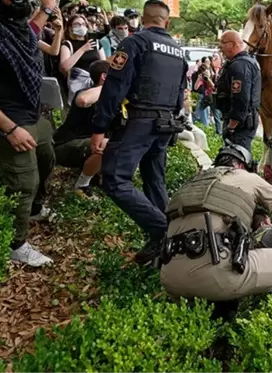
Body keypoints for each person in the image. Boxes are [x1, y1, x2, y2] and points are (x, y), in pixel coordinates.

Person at [90, 0, 188, 265]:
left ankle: (164, 232)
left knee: (114, 179)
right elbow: (181, 95)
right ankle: (163, 244)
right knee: (154, 179)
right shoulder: (179, 52)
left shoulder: (135, 43)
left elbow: (114, 88)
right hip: (166, 125)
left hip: (140, 122)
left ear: (144, 19)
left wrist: (99, 127)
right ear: (166, 21)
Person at [160, 143, 272, 302]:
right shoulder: (247, 177)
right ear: (240, 165)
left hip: (169, 278)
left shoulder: (191, 183)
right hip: (215, 273)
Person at [0, 0, 58, 266]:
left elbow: (33, 29)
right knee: (24, 184)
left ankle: (34, 210)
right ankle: (15, 244)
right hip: (10, 122)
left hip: (34, 116)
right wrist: (10, 129)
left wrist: (47, 10)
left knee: (48, 159)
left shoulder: (16, 29)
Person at [53, 60, 111, 193]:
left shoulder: (113, 100)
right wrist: (110, 85)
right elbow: (83, 100)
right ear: (104, 77)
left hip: (90, 148)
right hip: (64, 146)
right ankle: (81, 185)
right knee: (106, 144)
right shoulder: (86, 92)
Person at [214, 30, 261, 152]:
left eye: (223, 43)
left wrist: (231, 127)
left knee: (236, 158)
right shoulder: (242, 62)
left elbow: (241, 99)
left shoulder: (240, 66)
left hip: (240, 124)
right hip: (242, 121)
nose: (220, 47)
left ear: (233, 44)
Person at [59, 13, 106, 105]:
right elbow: (64, 67)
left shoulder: (95, 43)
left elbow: (103, 64)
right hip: (78, 86)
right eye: (77, 24)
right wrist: (83, 49)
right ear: (70, 27)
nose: (81, 26)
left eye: (84, 24)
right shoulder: (68, 44)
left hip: (96, 84)